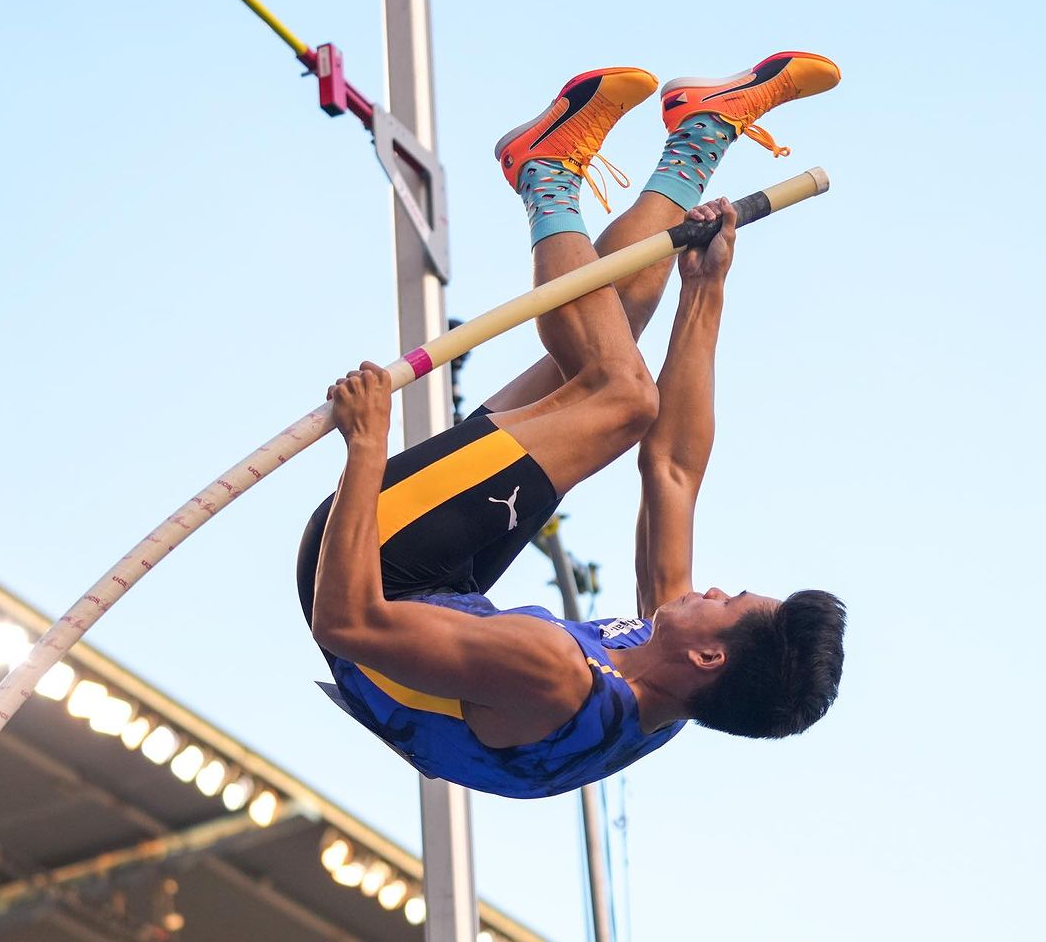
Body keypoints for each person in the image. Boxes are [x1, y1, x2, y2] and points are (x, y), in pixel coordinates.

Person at [297, 54, 847, 799]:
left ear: (712, 657)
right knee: (614, 334)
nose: (712, 589)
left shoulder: (552, 675)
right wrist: (704, 292)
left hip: (370, 566)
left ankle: (544, 173)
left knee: (622, 396)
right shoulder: (669, 693)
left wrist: (367, 446)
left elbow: (346, 621)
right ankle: (698, 136)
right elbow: (674, 475)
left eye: (728, 602)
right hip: (440, 591)